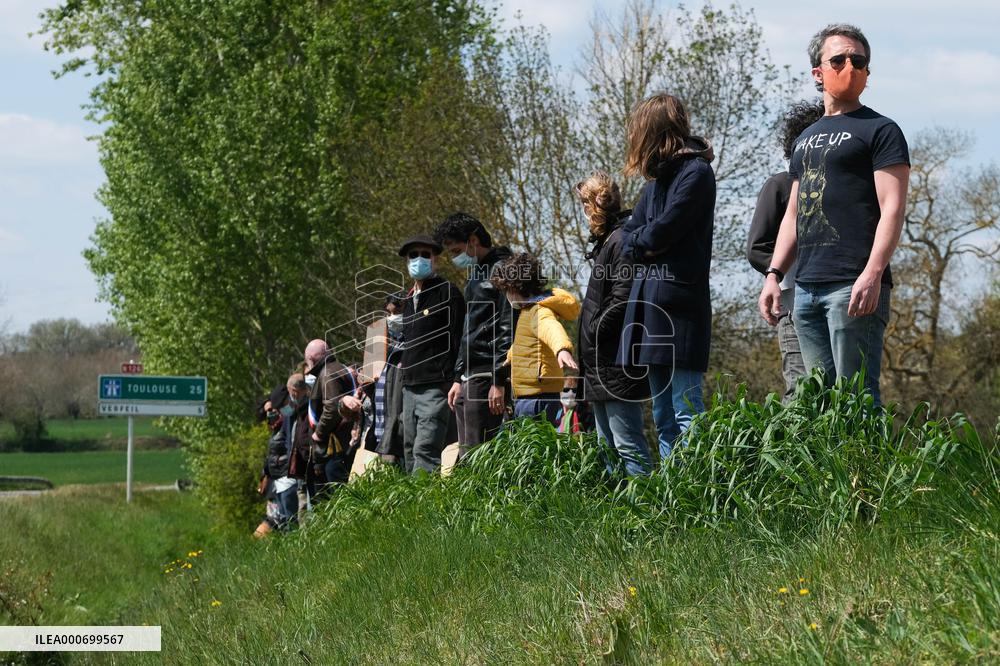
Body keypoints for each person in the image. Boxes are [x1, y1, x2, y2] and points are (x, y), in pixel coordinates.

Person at [757, 24, 910, 408]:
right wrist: (774, 275)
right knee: (815, 403)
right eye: (839, 59)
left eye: (859, 61)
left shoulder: (881, 130)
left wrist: (873, 274)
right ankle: (829, 472)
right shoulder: (804, 139)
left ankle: (864, 470)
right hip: (806, 289)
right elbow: (794, 212)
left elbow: (893, 208)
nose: (851, 66)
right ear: (818, 72)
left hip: (852, 284)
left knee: (856, 399)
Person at [617, 93, 716, 461]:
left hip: (679, 308)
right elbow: (629, 237)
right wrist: (645, 243)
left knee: (686, 410)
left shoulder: (696, 174)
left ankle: (697, 490)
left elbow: (662, 231)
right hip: (649, 309)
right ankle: (674, 498)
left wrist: (645, 241)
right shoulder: (655, 183)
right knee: (661, 416)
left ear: (655, 130)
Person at [746, 100, 826, 402]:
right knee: (800, 385)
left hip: (834, 298)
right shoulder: (779, 185)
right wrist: (787, 268)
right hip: (792, 302)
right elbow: (757, 248)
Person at [575, 172, 652, 476]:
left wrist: (594, 331)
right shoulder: (607, 242)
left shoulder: (620, 241)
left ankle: (645, 510)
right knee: (607, 446)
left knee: (627, 444)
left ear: (592, 206)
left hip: (615, 361)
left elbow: (622, 298)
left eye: (583, 204)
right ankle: (620, 514)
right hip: (600, 363)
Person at [435, 213, 515, 458]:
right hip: (470, 375)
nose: (454, 257)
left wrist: (499, 380)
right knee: (466, 451)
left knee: (478, 454)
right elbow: (469, 327)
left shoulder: (503, 269)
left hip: (486, 375)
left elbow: (507, 325)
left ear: (473, 240)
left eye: (457, 249)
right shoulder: (476, 275)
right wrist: (459, 376)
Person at [397, 234, 465, 473]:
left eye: (425, 255)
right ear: (406, 261)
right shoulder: (407, 300)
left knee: (425, 449)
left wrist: (458, 379)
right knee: (408, 448)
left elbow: (459, 339)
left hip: (436, 385)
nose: (419, 259)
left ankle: (422, 508)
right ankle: (411, 502)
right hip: (409, 386)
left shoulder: (448, 293)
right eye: (413, 255)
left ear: (435, 260)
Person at [491, 252, 580, 427]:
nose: (506, 296)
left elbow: (551, 329)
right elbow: (528, 344)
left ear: (515, 289)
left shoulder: (538, 311)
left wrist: (562, 349)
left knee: (535, 447)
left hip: (537, 396)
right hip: (531, 394)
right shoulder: (528, 311)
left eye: (507, 291)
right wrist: (510, 357)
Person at [304, 339, 359, 490]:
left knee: (339, 492)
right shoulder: (335, 368)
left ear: (310, 359)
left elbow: (332, 408)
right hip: (341, 443)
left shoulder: (328, 372)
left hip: (337, 447)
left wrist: (319, 433)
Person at [374, 293, 406, 464]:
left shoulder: (412, 345)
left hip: (399, 434)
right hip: (381, 430)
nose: (392, 318)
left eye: (397, 312)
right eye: (389, 313)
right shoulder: (381, 346)